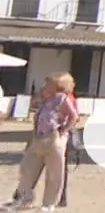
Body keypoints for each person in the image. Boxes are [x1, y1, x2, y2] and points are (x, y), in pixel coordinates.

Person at [9, 73, 78, 211]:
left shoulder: (63, 99)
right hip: (39, 137)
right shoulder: (45, 99)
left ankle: (48, 203)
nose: (45, 86)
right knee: (28, 169)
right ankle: (25, 198)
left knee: (53, 174)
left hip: (54, 137)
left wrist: (63, 130)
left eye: (48, 84)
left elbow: (74, 116)